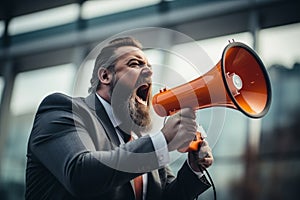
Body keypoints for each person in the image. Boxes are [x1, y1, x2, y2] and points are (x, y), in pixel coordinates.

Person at [25, 37, 214, 200]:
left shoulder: (140, 141)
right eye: (135, 64)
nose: (149, 71)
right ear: (105, 75)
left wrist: (193, 168)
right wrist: (162, 141)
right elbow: (80, 174)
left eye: (149, 66)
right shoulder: (65, 110)